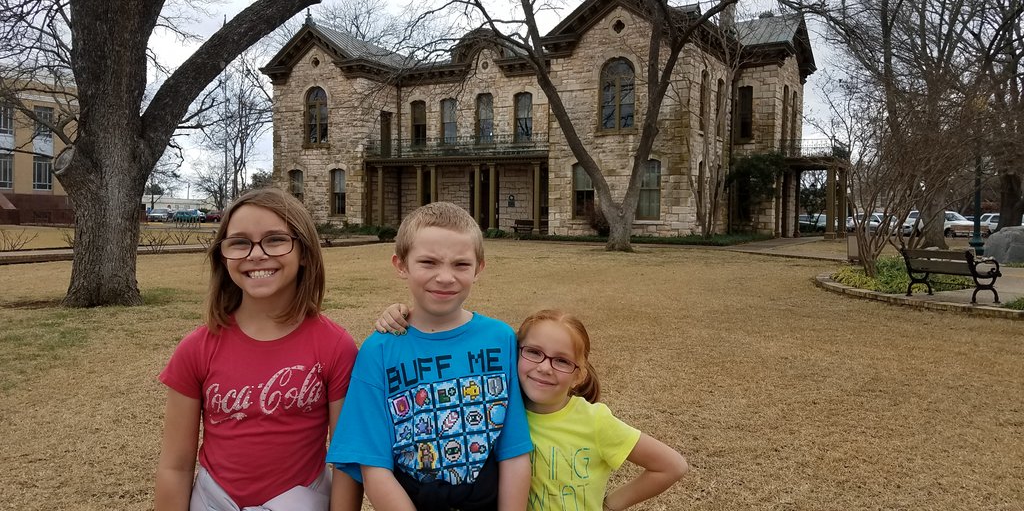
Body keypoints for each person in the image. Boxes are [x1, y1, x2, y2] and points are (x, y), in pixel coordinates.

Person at [155, 188, 361, 511]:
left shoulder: (336, 347)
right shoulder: (196, 349)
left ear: (304, 251)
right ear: (223, 257)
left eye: (276, 239)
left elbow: (347, 463)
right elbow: (175, 467)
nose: (256, 254)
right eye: (239, 242)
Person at [327, 201, 533, 511]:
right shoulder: (379, 350)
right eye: (428, 262)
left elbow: (514, 449)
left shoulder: (501, 339)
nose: (445, 277)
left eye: (461, 265)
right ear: (401, 265)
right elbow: (372, 464)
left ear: (479, 268)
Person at [376, 308, 689, 511]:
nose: (544, 368)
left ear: (579, 374)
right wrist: (401, 312)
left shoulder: (594, 421)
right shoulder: (496, 415)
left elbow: (671, 466)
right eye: (534, 353)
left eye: (562, 360)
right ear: (512, 355)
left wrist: (610, 505)